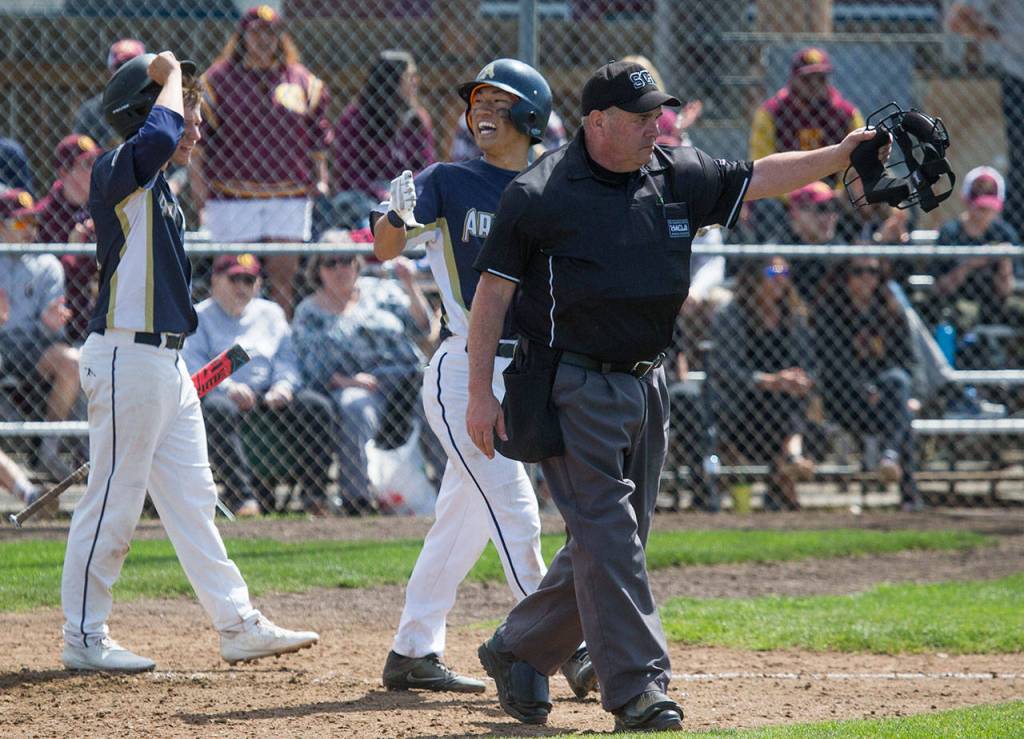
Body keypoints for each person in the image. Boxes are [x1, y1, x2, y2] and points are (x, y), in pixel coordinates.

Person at [465, 59, 885, 731]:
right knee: (608, 533)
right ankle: (637, 686)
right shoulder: (541, 192)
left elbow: (759, 176)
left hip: (648, 379)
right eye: (640, 116)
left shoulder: (672, 171)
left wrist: (840, 154)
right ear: (597, 122)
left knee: (616, 537)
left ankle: (519, 647)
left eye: (658, 113)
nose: (654, 125)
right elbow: (493, 292)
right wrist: (479, 391)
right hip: (569, 381)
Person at [60, 50, 319, 674]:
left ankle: (236, 623)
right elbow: (160, 134)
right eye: (187, 106)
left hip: (164, 366)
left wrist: (173, 87)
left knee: (195, 499)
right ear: (146, 113)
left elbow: (167, 135)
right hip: (127, 355)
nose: (197, 122)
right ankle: (84, 636)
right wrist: (170, 73)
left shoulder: (161, 185)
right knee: (113, 505)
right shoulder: (120, 167)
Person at [372, 59, 595, 697]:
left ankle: (412, 651)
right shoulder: (447, 180)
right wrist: (394, 218)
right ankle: (567, 647)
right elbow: (385, 248)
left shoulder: (556, 183)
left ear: (531, 115)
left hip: (529, 369)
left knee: (461, 521)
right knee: (515, 510)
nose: (481, 109)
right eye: (475, 100)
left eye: (498, 98)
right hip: (462, 370)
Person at [193, 5, 332, 316]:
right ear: (243, 36)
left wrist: (320, 177)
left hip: (289, 193)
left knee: (284, 278)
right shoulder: (218, 80)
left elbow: (317, 137)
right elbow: (199, 140)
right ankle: (232, 341)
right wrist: (197, 185)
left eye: (271, 32)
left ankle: (277, 338)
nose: (264, 40)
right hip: (232, 194)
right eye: (257, 32)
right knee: (235, 275)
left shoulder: (301, 81)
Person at [183, 253, 335, 517]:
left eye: (249, 280)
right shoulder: (199, 316)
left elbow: (286, 359)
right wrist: (228, 388)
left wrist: (283, 386)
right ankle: (243, 498)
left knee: (316, 406)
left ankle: (314, 497)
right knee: (218, 410)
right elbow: (193, 366)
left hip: (269, 393)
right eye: (235, 279)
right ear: (216, 281)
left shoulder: (271, 312)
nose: (242, 287)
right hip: (223, 394)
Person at [292, 252, 431, 514]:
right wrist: (348, 381)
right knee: (354, 407)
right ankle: (358, 499)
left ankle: (455, 487)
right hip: (358, 388)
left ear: (357, 265)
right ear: (317, 270)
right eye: (330, 262)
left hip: (408, 379)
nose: (340, 268)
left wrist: (410, 285)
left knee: (434, 402)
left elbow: (422, 327)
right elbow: (309, 368)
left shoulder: (381, 291)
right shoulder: (309, 311)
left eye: (346, 260)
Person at [812, 257, 924, 511]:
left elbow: (908, 360)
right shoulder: (831, 312)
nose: (867, 278)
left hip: (887, 398)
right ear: (846, 276)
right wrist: (863, 388)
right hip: (844, 400)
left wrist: (912, 395)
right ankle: (907, 489)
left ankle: (890, 456)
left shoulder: (890, 310)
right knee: (900, 410)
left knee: (898, 387)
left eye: (873, 271)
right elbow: (831, 363)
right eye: (859, 271)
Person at [706, 257, 816, 512]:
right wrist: (771, 381)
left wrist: (800, 379)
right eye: (772, 271)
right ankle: (790, 462)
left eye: (784, 272)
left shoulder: (793, 315)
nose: (780, 278)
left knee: (791, 400)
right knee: (782, 398)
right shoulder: (732, 314)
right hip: (742, 409)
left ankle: (787, 465)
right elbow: (726, 371)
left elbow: (810, 366)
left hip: (785, 405)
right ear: (755, 278)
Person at [0, 188, 80, 480]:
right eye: (20, 223)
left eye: (32, 223)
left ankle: (47, 450)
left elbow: (53, 325)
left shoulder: (47, 264)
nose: (29, 230)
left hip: (32, 346)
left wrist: (49, 325)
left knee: (71, 361)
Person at [745, 47, 865, 241]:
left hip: (833, 194)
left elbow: (857, 163)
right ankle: (774, 259)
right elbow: (760, 162)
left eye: (821, 78)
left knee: (862, 197)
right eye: (808, 79)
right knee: (766, 207)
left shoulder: (846, 114)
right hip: (783, 193)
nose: (815, 84)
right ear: (793, 80)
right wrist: (796, 197)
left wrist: (835, 194)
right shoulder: (771, 113)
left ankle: (855, 259)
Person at [930, 166, 1022, 364]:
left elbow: (1006, 291)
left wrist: (1004, 262)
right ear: (967, 201)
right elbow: (940, 288)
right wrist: (970, 263)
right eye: (980, 207)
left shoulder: (1004, 234)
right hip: (959, 301)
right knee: (958, 315)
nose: (984, 214)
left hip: (994, 303)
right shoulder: (951, 233)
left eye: (989, 208)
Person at [948, 2, 1024, 237]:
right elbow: (957, 19)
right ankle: (1017, 241)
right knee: (1021, 162)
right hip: (1019, 76)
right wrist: (993, 33)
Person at [333, 49, 435, 200]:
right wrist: (380, 193)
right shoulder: (355, 117)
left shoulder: (417, 118)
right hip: (365, 196)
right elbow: (347, 174)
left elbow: (426, 166)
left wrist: (405, 190)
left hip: (407, 194)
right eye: (409, 76)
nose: (416, 81)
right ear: (391, 80)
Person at [33, 134, 103, 344]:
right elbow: (46, 279)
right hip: (61, 320)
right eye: (85, 165)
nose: (94, 170)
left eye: (95, 163)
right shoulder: (44, 216)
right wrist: (74, 249)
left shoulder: (102, 207)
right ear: (64, 172)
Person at [72, 38, 147, 148]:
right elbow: (79, 154)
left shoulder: (156, 103)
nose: (127, 72)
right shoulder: (91, 111)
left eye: (133, 66)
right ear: (110, 71)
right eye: (120, 66)